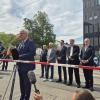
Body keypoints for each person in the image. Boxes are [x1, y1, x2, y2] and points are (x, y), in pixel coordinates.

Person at [17, 29, 36, 100]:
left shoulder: (30, 42)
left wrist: (20, 56)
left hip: (27, 67)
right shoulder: (20, 43)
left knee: (27, 84)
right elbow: (18, 53)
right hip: (20, 66)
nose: (20, 35)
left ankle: (26, 98)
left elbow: (32, 53)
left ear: (26, 34)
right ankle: (22, 97)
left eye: (21, 33)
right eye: (19, 33)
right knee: (21, 83)